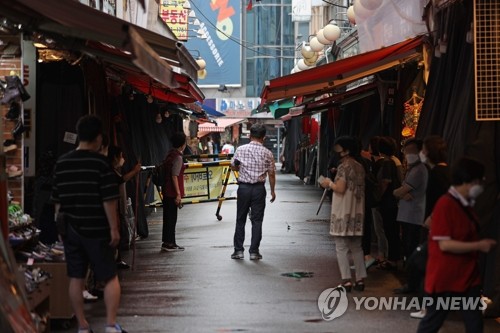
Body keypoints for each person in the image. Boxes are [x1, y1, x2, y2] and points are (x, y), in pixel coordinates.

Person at [51, 115, 126, 333]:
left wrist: (60, 230)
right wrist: (114, 228)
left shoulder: (62, 163)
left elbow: (57, 202)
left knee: (76, 277)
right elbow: (108, 200)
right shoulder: (100, 164)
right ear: (98, 138)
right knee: (110, 277)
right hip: (98, 229)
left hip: (71, 230)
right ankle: (111, 325)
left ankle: (82, 326)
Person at [417, 157, 497, 333]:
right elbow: (445, 245)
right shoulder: (446, 204)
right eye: (480, 180)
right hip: (446, 276)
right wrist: (479, 246)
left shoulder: (465, 204)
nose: (482, 185)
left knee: (475, 324)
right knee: (432, 323)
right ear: (470, 181)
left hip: (467, 276)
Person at [319, 136, 366, 291]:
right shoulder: (360, 166)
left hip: (343, 210)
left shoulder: (343, 167)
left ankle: (346, 280)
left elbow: (340, 188)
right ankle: (360, 279)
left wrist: (328, 183)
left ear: (346, 150)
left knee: (341, 247)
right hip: (357, 211)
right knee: (357, 247)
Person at [230, 123, 276, 260]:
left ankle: (238, 251)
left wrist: (241, 169)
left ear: (250, 136)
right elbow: (272, 174)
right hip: (259, 189)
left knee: (240, 219)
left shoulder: (240, 149)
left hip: (243, 188)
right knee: (257, 220)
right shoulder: (268, 153)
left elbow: (233, 166)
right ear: (264, 138)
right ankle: (254, 251)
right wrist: (273, 191)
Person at [393, 138, 428, 262]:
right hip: (407, 215)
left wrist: (398, 192)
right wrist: (402, 192)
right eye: (406, 151)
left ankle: (411, 278)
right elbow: (403, 190)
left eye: (411, 151)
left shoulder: (419, 169)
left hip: (413, 216)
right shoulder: (412, 169)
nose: (408, 154)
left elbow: (401, 191)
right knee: (408, 247)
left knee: (411, 248)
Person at [107, 145, 142, 269]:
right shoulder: (110, 171)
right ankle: (115, 259)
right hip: (114, 207)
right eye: (120, 156)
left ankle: (117, 259)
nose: (122, 159)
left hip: (119, 205)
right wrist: (134, 171)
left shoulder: (115, 169)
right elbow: (121, 180)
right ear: (115, 157)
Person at [376, 137, 401, 270]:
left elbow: (385, 182)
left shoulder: (386, 163)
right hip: (393, 201)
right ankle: (394, 258)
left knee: (390, 230)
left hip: (387, 201)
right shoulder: (393, 161)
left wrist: (378, 196)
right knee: (393, 231)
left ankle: (392, 260)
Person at [161, 132, 187, 252]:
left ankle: (168, 242)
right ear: (183, 144)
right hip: (172, 192)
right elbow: (174, 176)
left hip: (166, 190)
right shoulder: (178, 157)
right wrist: (178, 194)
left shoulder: (169, 155)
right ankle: (170, 243)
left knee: (168, 218)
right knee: (172, 218)